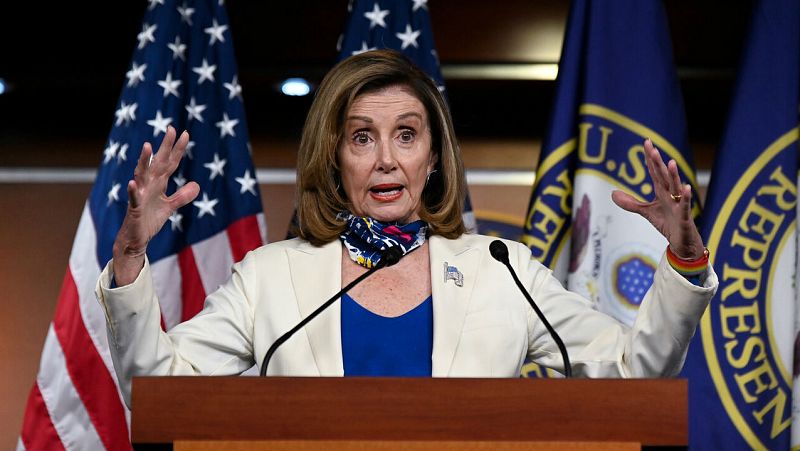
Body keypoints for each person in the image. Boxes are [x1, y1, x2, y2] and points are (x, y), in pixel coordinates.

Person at [96, 49, 718, 407]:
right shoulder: (271, 277)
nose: (387, 159)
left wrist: (685, 263)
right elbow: (157, 392)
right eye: (362, 138)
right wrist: (129, 257)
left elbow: (636, 371)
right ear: (334, 159)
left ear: (435, 156)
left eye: (407, 135)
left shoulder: (502, 270)